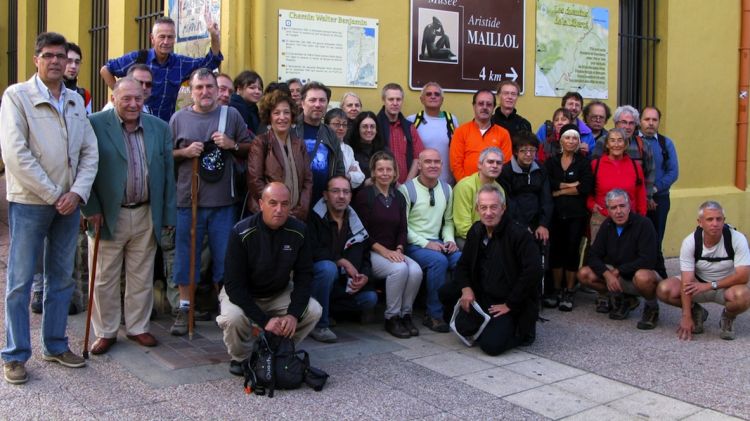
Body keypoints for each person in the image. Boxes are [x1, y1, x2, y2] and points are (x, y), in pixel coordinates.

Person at [0, 32, 99, 384]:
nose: (56, 61)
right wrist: (54, 193)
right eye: (48, 55)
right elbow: (15, 154)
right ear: (36, 59)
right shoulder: (17, 97)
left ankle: (55, 345)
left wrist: (77, 193)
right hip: (30, 202)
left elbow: (90, 151)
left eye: (61, 55)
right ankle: (14, 355)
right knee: (20, 281)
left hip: (69, 204)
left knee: (61, 278)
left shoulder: (74, 101)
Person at [82, 77, 176, 354]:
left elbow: (168, 175)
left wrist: (168, 215)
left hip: (147, 212)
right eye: (126, 99)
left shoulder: (159, 128)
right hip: (109, 214)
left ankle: (137, 326)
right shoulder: (95, 124)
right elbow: (82, 168)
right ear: (113, 99)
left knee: (141, 275)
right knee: (103, 277)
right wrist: (90, 209)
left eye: (138, 98)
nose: (133, 104)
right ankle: (106, 331)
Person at [169, 68, 251, 336]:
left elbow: (250, 147)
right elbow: (165, 156)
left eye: (209, 87)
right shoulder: (179, 119)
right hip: (187, 200)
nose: (205, 92)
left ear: (218, 90)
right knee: (186, 258)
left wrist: (231, 144)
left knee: (225, 260)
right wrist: (184, 151)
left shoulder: (231, 115)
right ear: (191, 92)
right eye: (199, 87)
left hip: (223, 203)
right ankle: (184, 309)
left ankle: (228, 310)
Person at [218, 182, 322, 376]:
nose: (279, 209)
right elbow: (233, 285)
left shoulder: (299, 231)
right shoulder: (241, 232)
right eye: (273, 203)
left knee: (313, 310)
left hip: (278, 292)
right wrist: (264, 320)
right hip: (243, 293)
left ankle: (277, 348)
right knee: (233, 318)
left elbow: (304, 276)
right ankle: (241, 358)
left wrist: (293, 314)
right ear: (261, 204)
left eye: (284, 204)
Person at [439, 184, 541, 354]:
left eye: (493, 207)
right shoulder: (477, 230)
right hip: (482, 292)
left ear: (503, 208)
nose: (488, 212)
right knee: (446, 292)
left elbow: (534, 271)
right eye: (483, 207)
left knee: (491, 346)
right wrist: (466, 290)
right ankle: (482, 323)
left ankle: (523, 330)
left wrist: (510, 304)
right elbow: (463, 265)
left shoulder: (518, 234)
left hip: (509, 298)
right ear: (477, 209)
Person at [656, 201, 750, 341]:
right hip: (697, 285)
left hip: (725, 286)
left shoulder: (737, 238)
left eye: (719, 219)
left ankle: (728, 317)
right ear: (700, 222)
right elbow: (686, 281)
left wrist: (710, 285)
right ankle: (696, 312)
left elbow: (743, 277)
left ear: (724, 221)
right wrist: (686, 316)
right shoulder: (690, 242)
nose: (715, 223)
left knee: (744, 296)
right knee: (664, 289)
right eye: (709, 219)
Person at [353, 151, 423, 338]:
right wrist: (385, 251)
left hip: (394, 251)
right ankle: (391, 317)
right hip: (372, 252)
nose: (385, 173)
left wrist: (399, 248)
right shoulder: (364, 196)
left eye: (388, 170)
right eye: (380, 169)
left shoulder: (399, 197)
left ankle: (405, 314)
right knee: (399, 269)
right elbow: (361, 232)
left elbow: (402, 229)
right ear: (373, 173)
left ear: (394, 173)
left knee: (415, 270)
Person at [101, 15, 222, 122]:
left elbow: (210, 63)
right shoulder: (137, 58)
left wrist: (214, 36)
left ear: (174, 39)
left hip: (163, 129)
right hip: (134, 124)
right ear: (152, 38)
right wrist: (121, 94)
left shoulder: (180, 63)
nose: (166, 41)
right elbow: (106, 70)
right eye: (162, 37)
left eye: (170, 37)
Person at [307, 176, 378, 343]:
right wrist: (341, 261)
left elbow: (366, 254)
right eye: (335, 191)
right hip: (318, 281)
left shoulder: (354, 220)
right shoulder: (315, 218)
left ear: (350, 196)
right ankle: (319, 324)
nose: (341, 196)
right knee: (327, 268)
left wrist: (365, 276)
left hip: (342, 286)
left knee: (370, 299)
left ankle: (328, 311)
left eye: (346, 192)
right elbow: (311, 251)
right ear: (325, 195)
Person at [578, 189, 660, 329]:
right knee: (584, 274)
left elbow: (648, 259)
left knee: (643, 277)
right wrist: (606, 274)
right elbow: (593, 255)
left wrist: (617, 271)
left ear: (629, 207)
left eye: (622, 206)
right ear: (608, 210)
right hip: (620, 275)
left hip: (644, 275)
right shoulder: (607, 225)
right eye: (613, 207)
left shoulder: (644, 224)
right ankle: (625, 299)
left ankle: (652, 307)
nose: (618, 211)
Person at [402, 149, 461, 332]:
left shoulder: (446, 189)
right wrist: (426, 243)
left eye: (437, 162)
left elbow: (448, 221)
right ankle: (433, 315)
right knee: (438, 261)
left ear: (442, 165)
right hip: (414, 244)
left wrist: (450, 240)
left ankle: (458, 310)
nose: (433, 165)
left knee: (461, 259)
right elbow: (403, 227)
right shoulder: (407, 189)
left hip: (438, 241)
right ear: (419, 165)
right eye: (428, 162)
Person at [544, 124, 593, 311]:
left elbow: (585, 187)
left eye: (575, 138)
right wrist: (570, 185)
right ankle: (556, 289)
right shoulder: (551, 162)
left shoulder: (583, 162)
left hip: (576, 215)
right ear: (561, 140)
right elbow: (550, 184)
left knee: (572, 251)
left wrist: (560, 190)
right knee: (556, 251)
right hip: (555, 215)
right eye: (567, 137)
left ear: (579, 141)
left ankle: (569, 291)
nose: (571, 141)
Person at [247, 90, 312, 220]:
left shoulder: (299, 144)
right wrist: (278, 207)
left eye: (286, 112)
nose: (282, 117)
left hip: (296, 215)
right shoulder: (261, 142)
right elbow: (255, 181)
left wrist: (302, 208)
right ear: (269, 116)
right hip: (268, 215)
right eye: (276, 113)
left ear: (292, 115)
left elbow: (308, 180)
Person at [588, 128, 647, 242]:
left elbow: (640, 192)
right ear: (607, 144)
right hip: (602, 218)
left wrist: (641, 216)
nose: (616, 144)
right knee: (601, 254)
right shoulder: (596, 165)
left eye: (620, 140)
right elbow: (588, 190)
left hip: (629, 219)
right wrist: (591, 204)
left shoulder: (635, 166)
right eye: (612, 140)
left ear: (625, 144)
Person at [640, 106, 679, 278]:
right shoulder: (632, 141)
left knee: (656, 236)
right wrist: (644, 193)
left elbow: (673, 172)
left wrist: (654, 189)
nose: (650, 123)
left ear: (658, 122)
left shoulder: (665, 143)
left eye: (654, 120)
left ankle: (658, 273)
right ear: (640, 121)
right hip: (637, 198)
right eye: (647, 119)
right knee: (638, 236)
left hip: (660, 198)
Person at [294, 81, 345, 205]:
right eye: (312, 100)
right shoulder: (291, 129)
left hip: (322, 203)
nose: (318, 104)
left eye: (322, 100)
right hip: (295, 200)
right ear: (302, 103)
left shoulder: (330, 134)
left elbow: (339, 168)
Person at [592, 105, 656, 203]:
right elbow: (593, 172)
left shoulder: (644, 145)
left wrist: (647, 198)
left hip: (633, 202)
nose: (627, 127)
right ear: (616, 123)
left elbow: (650, 173)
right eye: (624, 122)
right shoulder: (603, 142)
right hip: (605, 202)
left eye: (631, 123)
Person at [449, 89, 512, 182]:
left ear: (494, 107)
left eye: (489, 104)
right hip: (466, 187)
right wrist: (466, 185)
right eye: (481, 103)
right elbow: (455, 164)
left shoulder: (503, 133)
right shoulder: (461, 131)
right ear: (474, 106)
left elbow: (505, 164)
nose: (485, 107)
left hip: (493, 188)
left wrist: (492, 186)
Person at [452, 147, 504, 249]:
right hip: (465, 238)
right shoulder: (465, 186)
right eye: (490, 162)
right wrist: (487, 240)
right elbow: (463, 227)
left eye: (498, 163)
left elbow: (499, 220)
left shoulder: (499, 189)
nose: (494, 166)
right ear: (480, 165)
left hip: (491, 238)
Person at [407, 82, 459, 185]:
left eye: (436, 94)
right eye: (428, 94)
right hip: (420, 183)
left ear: (442, 100)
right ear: (422, 99)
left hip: (447, 182)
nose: (433, 97)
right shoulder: (412, 120)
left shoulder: (451, 120)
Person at [377, 83, 425, 184]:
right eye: (391, 99)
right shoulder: (374, 126)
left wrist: (407, 184)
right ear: (383, 100)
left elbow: (418, 157)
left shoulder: (409, 127)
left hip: (406, 185)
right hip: (381, 184)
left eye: (398, 99)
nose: (395, 103)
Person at [325, 108, 365, 189]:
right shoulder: (323, 146)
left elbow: (360, 176)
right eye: (337, 124)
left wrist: (348, 176)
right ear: (326, 125)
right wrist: (348, 174)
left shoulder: (348, 149)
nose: (341, 128)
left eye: (344, 124)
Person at [347, 111, 388, 183]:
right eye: (365, 126)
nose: (369, 130)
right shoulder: (349, 151)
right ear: (358, 129)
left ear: (377, 129)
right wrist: (363, 184)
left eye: (372, 126)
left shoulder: (385, 151)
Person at [229, 70, 263, 135]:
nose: (257, 92)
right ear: (239, 89)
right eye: (252, 88)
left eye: (260, 89)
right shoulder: (234, 108)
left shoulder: (253, 109)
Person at [63, 42, 92, 114]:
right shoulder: (48, 93)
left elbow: (87, 123)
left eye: (77, 62)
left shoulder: (85, 95)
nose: (73, 66)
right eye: (69, 61)